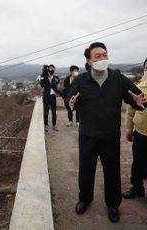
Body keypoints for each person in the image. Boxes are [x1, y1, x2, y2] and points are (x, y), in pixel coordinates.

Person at [66, 42, 147, 223]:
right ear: (88, 60)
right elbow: (69, 96)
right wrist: (70, 103)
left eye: (105, 55)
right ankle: (85, 198)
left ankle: (113, 205)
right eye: (98, 56)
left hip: (110, 135)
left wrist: (138, 100)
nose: (103, 59)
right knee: (86, 170)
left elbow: (135, 96)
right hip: (87, 135)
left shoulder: (117, 78)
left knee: (112, 172)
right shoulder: (81, 80)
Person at [122, 58, 147, 199]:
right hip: (141, 132)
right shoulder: (138, 87)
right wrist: (128, 130)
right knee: (137, 161)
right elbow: (130, 110)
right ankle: (137, 188)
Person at [39, 64, 61, 131]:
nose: (52, 70)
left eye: (53, 69)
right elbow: (42, 85)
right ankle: (46, 125)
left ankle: (54, 125)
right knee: (46, 112)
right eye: (51, 68)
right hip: (46, 97)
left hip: (53, 97)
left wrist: (61, 93)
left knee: (54, 112)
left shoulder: (56, 77)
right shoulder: (43, 77)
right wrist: (43, 73)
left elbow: (58, 86)